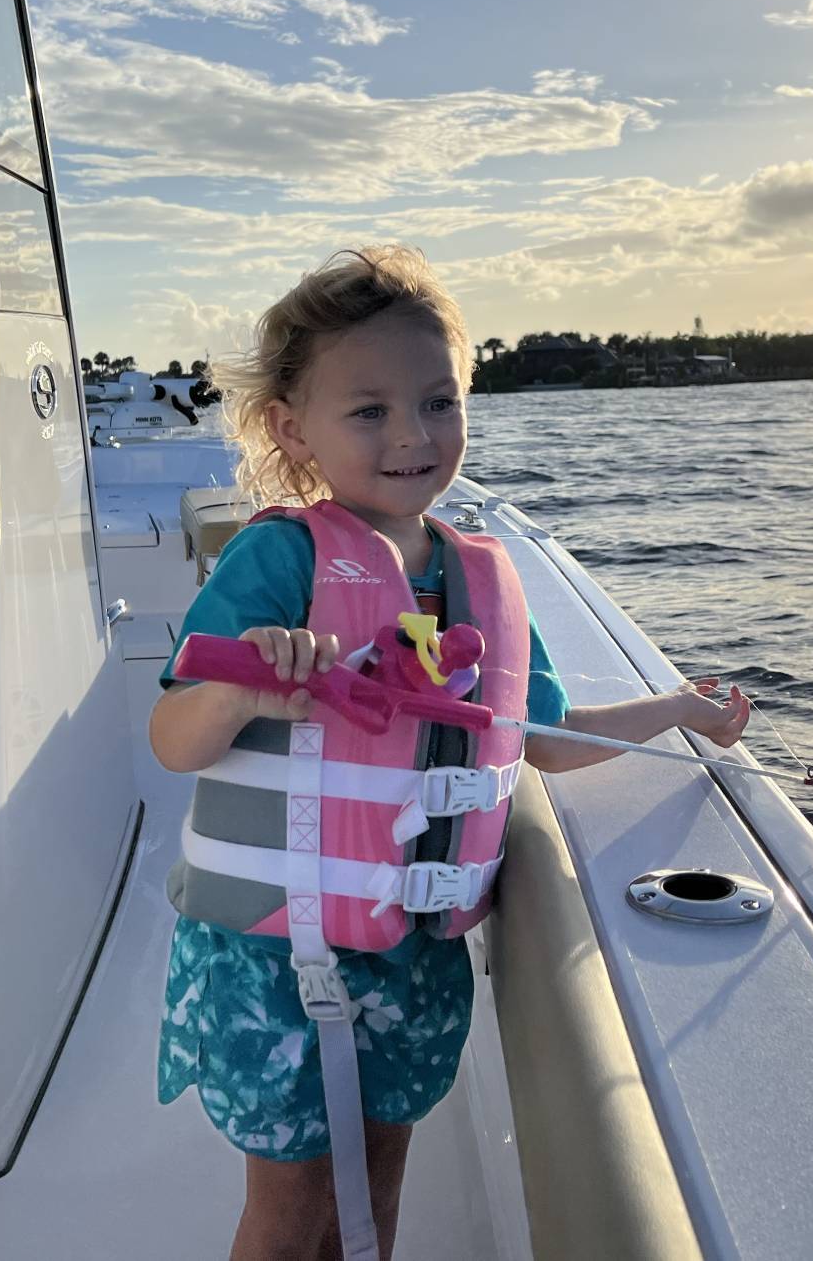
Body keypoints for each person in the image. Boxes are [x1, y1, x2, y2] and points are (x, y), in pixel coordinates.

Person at [149, 246, 750, 1261]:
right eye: (370, 410)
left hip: (414, 956)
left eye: (438, 402)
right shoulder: (280, 556)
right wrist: (249, 681)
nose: (413, 436)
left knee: (376, 1190)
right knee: (292, 1212)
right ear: (295, 429)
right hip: (276, 954)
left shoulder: (482, 577)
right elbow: (174, 740)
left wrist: (679, 709)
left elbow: (545, 742)